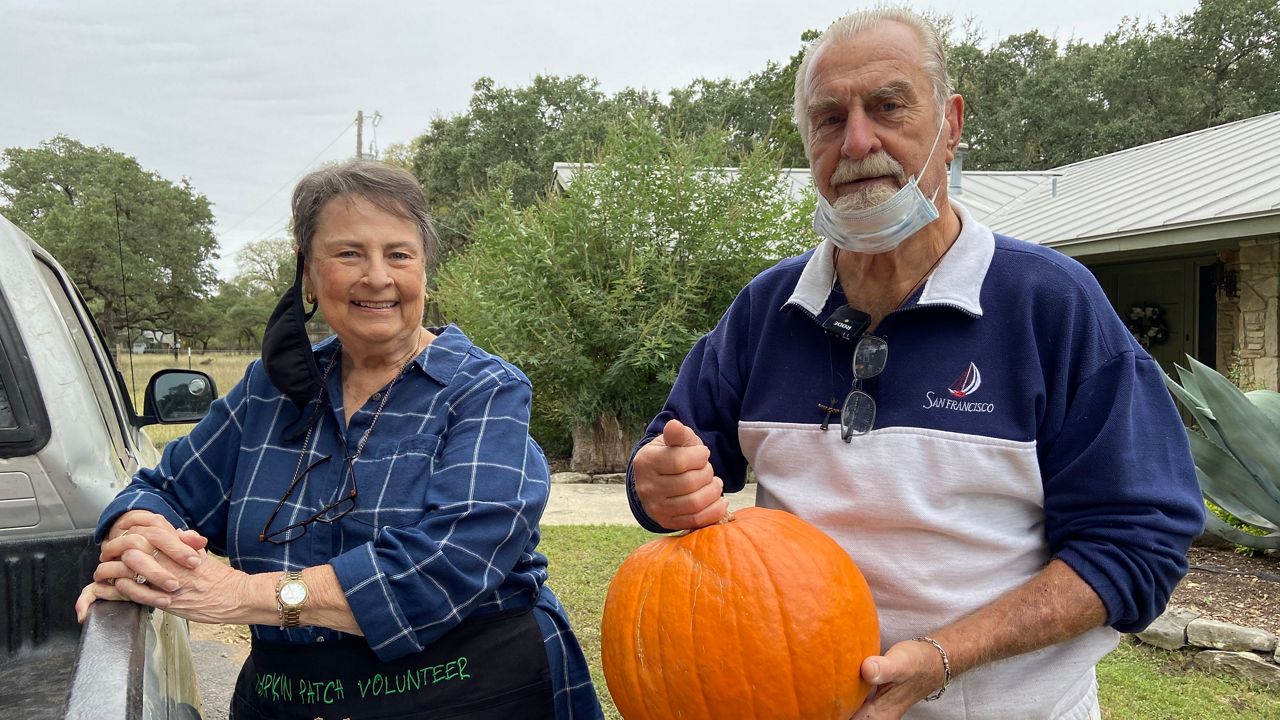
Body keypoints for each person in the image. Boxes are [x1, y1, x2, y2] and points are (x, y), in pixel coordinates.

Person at [627, 9, 1204, 720]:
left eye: (889, 106)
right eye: (829, 118)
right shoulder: (764, 310)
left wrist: (945, 656)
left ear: (951, 124)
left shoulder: (1051, 305)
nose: (858, 140)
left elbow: (1137, 547)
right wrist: (658, 481)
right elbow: (671, 457)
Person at [76, 160, 604, 720]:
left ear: (425, 271)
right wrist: (143, 542)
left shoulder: (484, 390)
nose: (377, 277)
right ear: (307, 273)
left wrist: (240, 594)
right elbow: (159, 491)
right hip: (288, 703)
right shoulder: (269, 390)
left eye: (399, 254)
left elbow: (449, 563)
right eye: (349, 253)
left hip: (473, 694)